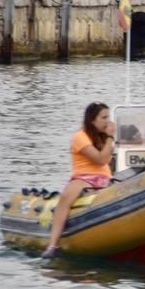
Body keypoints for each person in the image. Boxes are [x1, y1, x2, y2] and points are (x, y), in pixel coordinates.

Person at [41, 102, 115, 258]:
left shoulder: (103, 138)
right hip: (84, 176)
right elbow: (100, 159)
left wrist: (109, 139)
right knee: (65, 199)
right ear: (92, 120)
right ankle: (53, 244)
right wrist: (110, 138)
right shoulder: (80, 137)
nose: (108, 121)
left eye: (108, 117)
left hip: (105, 176)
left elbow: (107, 161)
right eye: (104, 117)